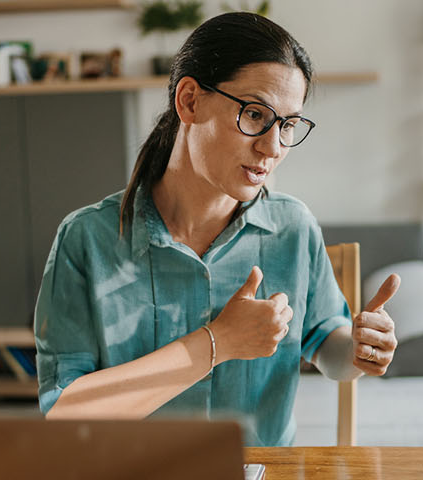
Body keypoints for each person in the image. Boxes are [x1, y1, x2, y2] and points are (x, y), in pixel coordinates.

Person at [32, 12, 402, 447]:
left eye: (286, 125)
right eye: (254, 114)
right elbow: (64, 413)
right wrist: (218, 342)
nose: (273, 147)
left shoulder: (293, 228)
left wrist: (360, 349)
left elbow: (328, 347)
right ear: (189, 101)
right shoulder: (86, 239)